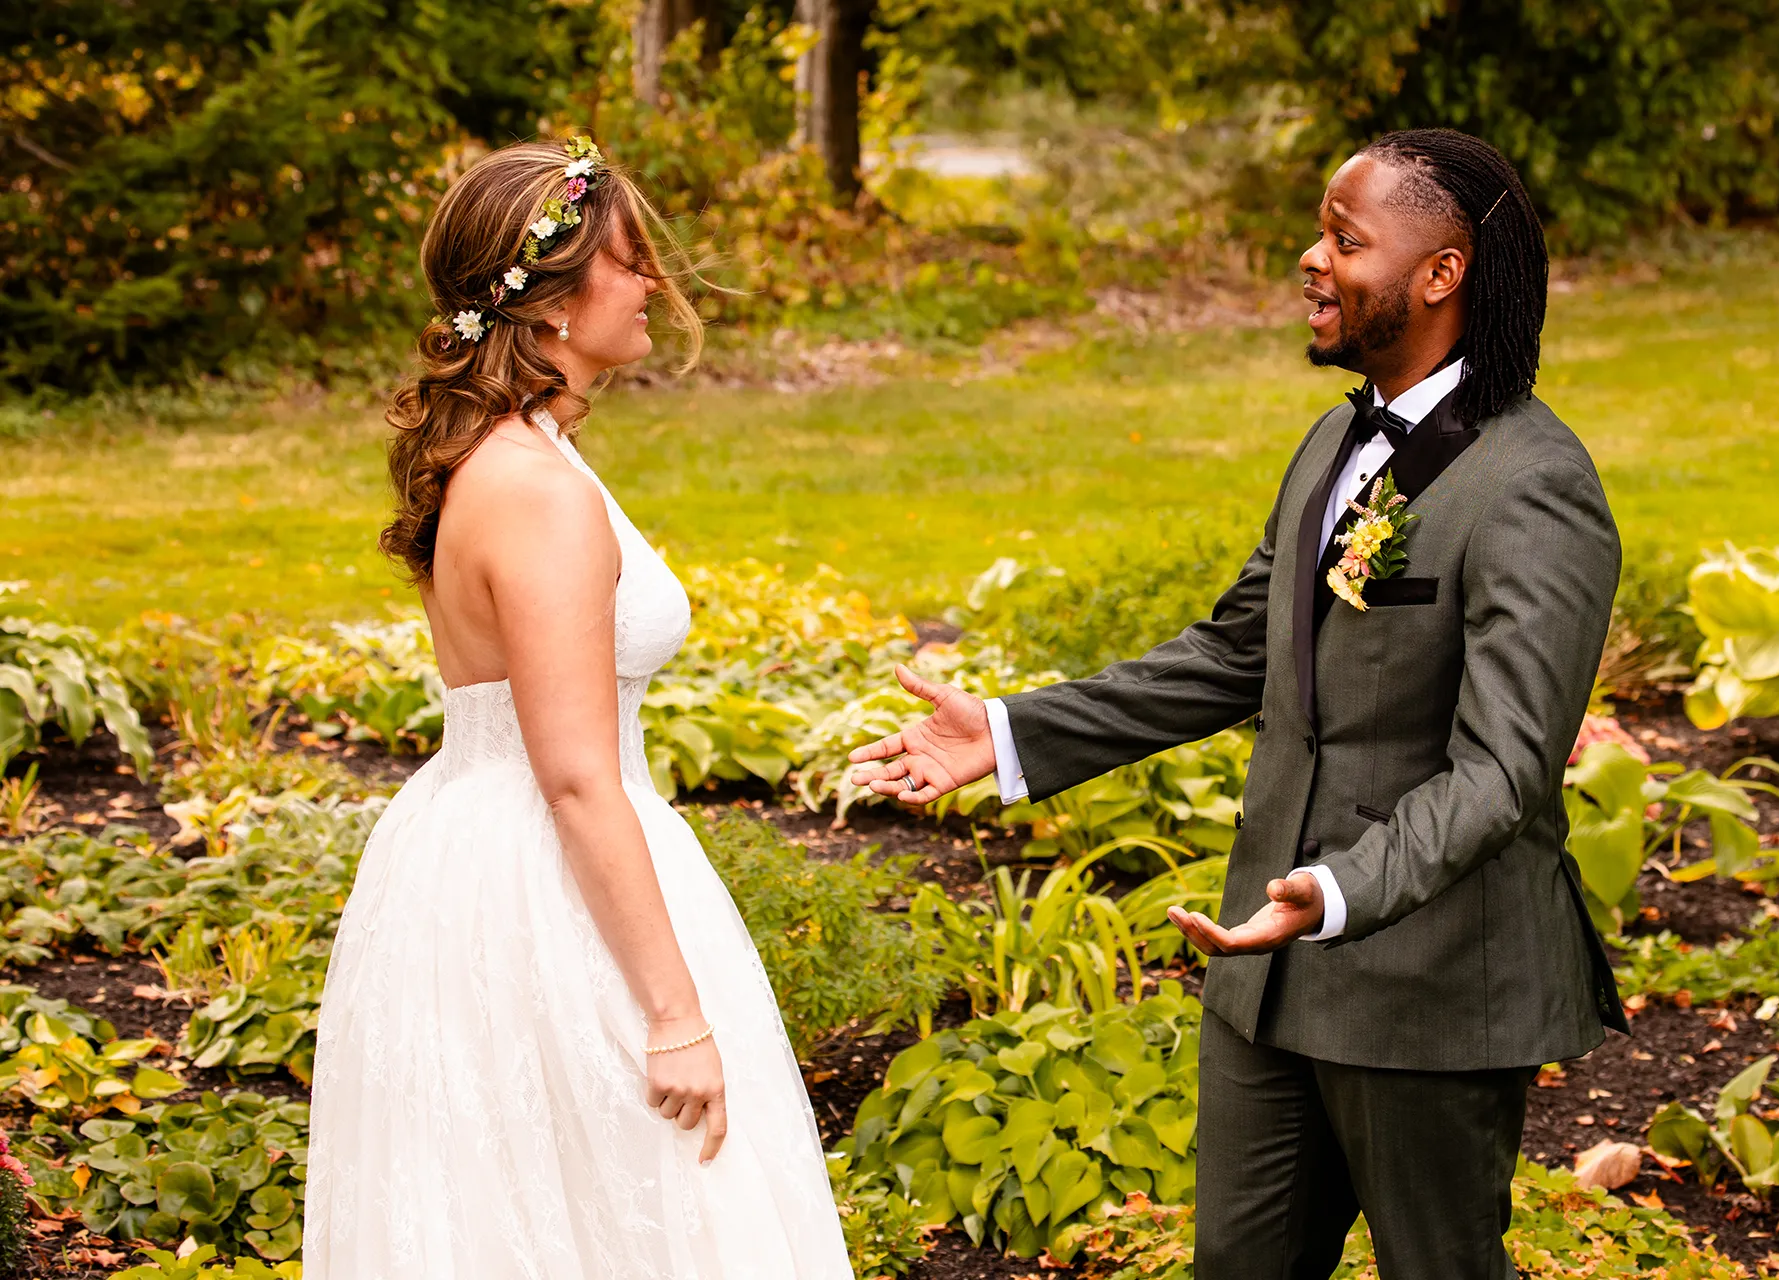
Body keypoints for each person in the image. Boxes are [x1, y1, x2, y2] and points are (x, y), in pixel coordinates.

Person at [849, 128, 1627, 1280]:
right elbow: (1233, 654)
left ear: (1441, 273)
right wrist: (1012, 734)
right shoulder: (1333, 440)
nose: (1311, 259)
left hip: (1428, 987)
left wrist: (1337, 889)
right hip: (1264, 979)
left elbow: (1505, 770)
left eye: (1345, 238)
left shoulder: (1534, 486)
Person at [305, 137, 852, 1279]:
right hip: (549, 871)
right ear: (548, 307)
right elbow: (572, 773)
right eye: (628, 262)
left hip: (474, 845)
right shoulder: (539, 492)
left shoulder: (510, 454)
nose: (653, 283)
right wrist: (674, 1013)